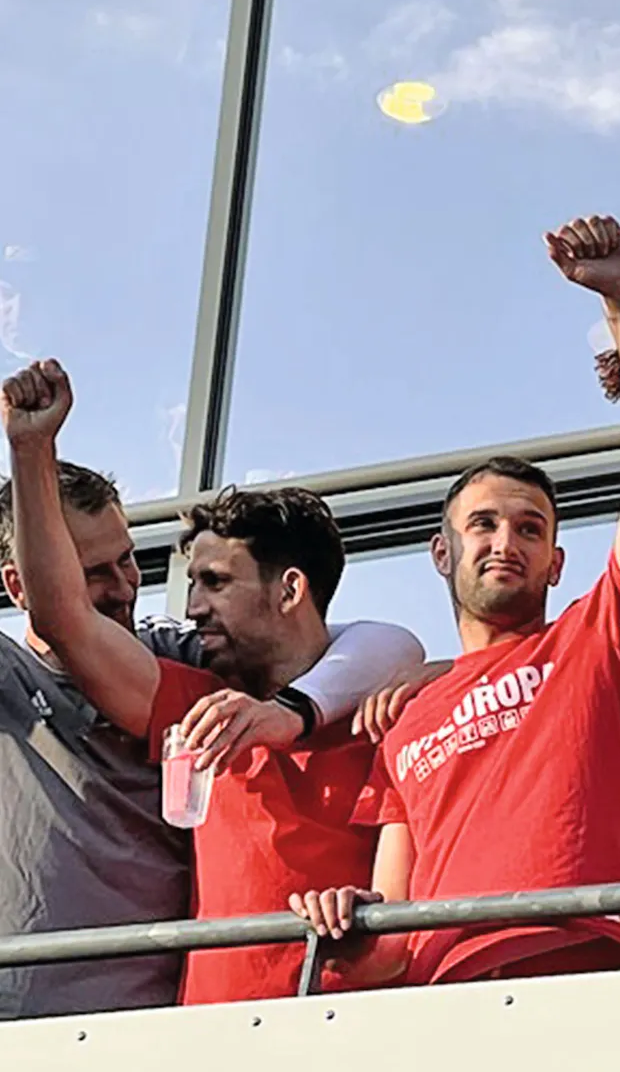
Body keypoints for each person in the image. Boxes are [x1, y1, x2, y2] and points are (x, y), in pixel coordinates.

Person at [289, 213, 620, 987]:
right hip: (444, 997)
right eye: (482, 524)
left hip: (574, 963)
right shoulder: (406, 721)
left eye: (529, 527)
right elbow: (392, 937)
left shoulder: (601, 640)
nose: (505, 540)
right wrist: (343, 921)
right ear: (442, 553)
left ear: (556, 563)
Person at [1, 361, 426, 1005]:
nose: (189, 606)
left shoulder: (376, 713)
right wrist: (31, 449)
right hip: (125, 1024)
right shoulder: (186, 696)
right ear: (19, 584)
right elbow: (63, 619)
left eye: (215, 583)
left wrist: (294, 712)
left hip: (291, 1026)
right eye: (94, 572)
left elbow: (392, 641)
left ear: (289, 590)